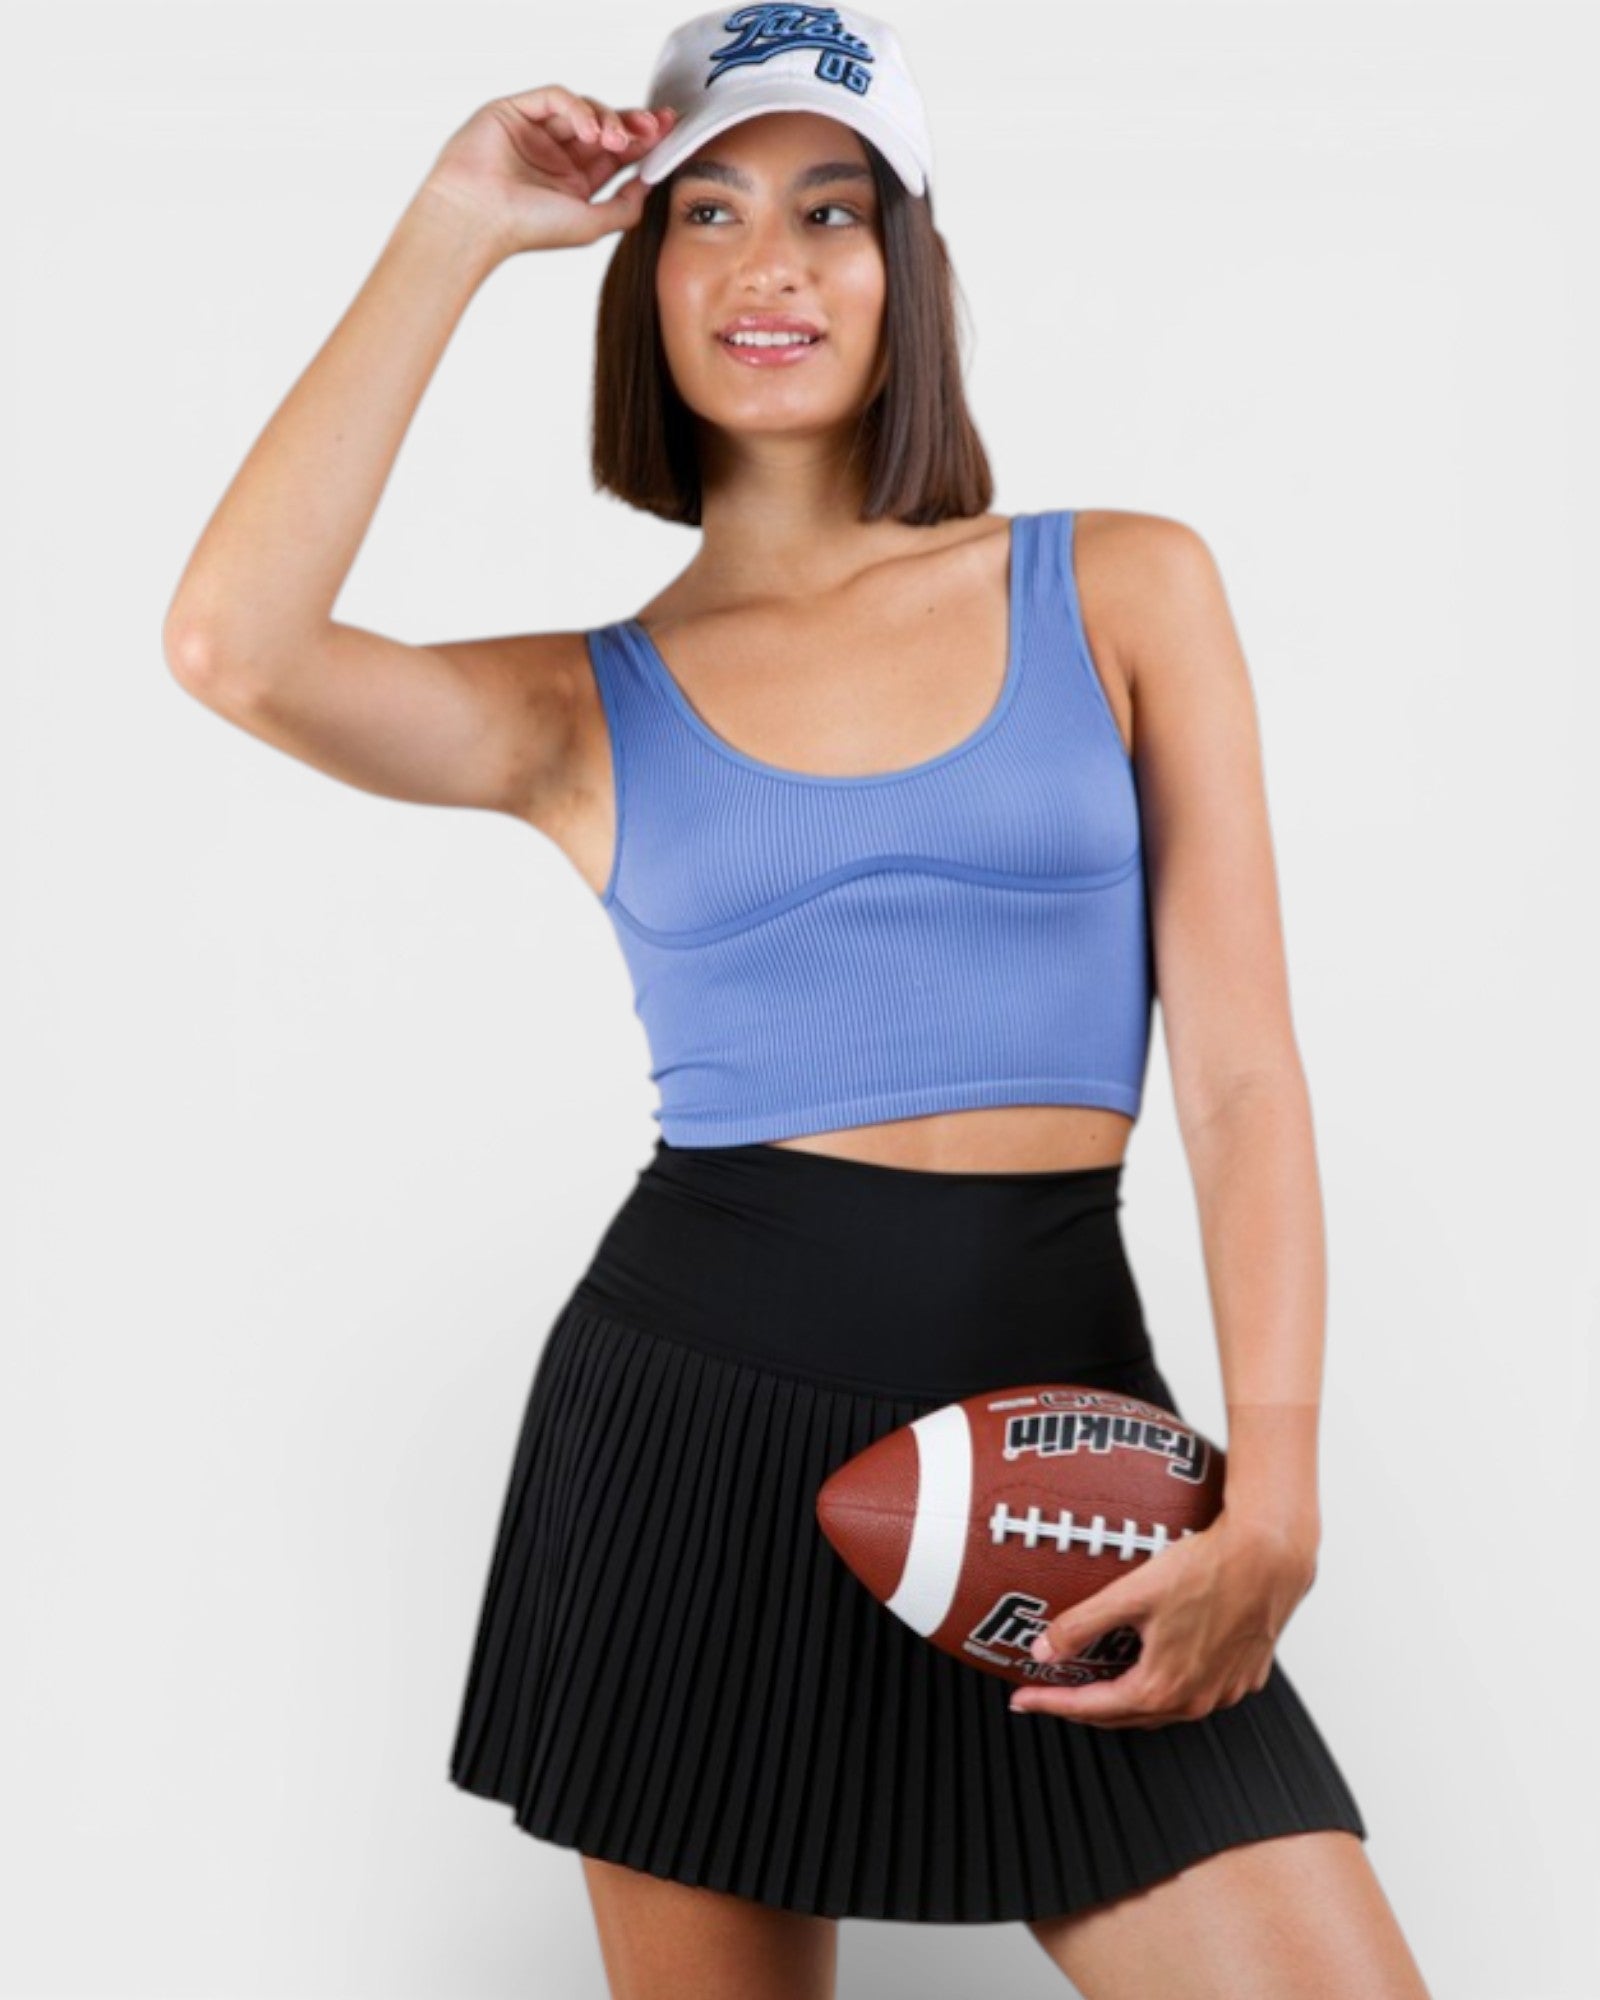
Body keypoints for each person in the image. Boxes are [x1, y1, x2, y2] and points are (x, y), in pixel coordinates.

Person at [163, 6, 1433, 1995]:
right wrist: (449, 222)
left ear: (903, 268)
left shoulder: (1118, 586)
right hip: (688, 1448)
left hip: (1055, 1451)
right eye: (709, 214)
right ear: (640, 277)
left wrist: (1271, 1484)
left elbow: (1244, 1081)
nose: (771, 266)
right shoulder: (577, 705)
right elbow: (235, 644)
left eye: (830, 212)